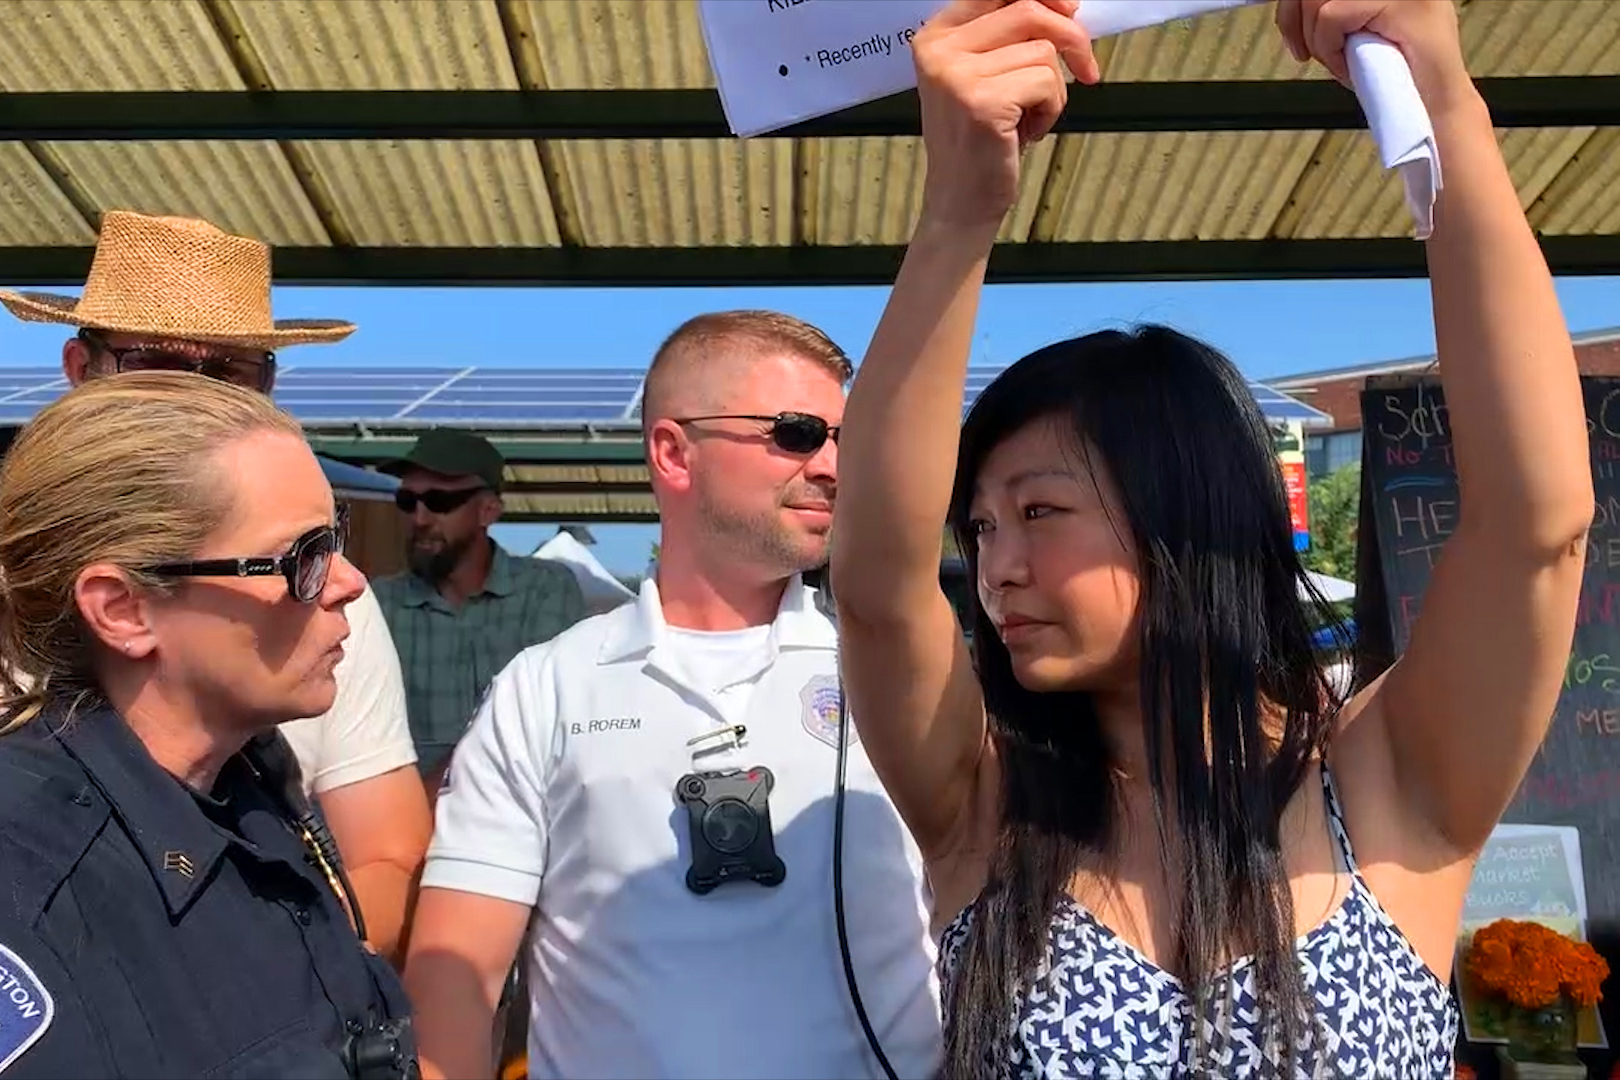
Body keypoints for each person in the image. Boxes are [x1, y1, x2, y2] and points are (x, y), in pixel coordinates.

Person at [829, 1, 1592, 1077]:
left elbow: (1538, 527)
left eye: (1041, 512)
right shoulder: (986, 804)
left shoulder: (1382, 782)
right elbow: (875, 583)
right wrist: (958, 209)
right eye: (982, 526)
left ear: (1188, 515)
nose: (997, 567)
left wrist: (1442, 101)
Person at [402, 311, 942, 1080]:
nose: (830, 465)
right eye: (794, 433)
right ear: (672, 453)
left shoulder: (898, 674)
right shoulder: (545, 688)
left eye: (840, 439)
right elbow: (456, 979)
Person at [0, 208, 431, 965]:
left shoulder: (319, 597)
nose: (195, 396)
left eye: (230, 371)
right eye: (156, 363)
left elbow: (389, 852)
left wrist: (271, 990)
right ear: (77, 366)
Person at [0, 373, 417, 1078]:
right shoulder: (29, 894)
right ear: (123, 610)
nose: (349, 581)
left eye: (336, 536)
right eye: (302, 558)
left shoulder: (251, 792)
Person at [373, 429, 586, 780]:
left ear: (488, 510)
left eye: (439, 501)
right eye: (407, 501)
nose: (420, 519)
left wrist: (437, 792)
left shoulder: (544, 590)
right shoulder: (379, 606)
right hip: (410, 827)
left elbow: (547, 724)